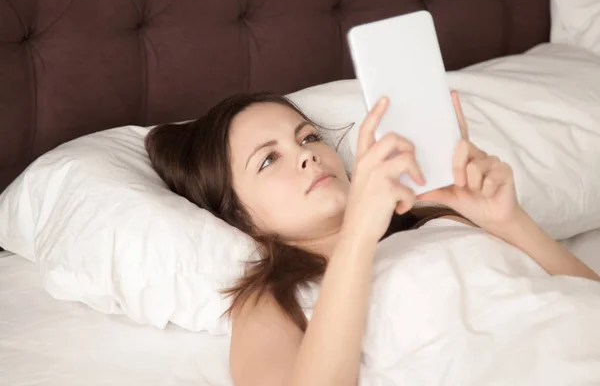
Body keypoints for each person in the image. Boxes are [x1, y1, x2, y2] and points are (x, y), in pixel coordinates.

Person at [145, 91, 599, 386]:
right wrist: (357, 236)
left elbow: (582, 298)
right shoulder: (273, 299)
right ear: (239, 217)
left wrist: (509, 220)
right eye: (268, 160)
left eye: (309, 137)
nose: (306, 155)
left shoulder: (436, 221)